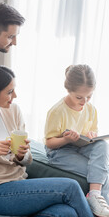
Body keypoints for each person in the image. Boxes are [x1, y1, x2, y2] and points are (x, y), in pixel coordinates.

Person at [0, 64, 93, 217]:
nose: (15, 95)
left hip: (19, 184)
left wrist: (22, 155)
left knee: (66, 212)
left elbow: (27, 160)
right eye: (9, 92)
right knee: (71, 187)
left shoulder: (13, 111)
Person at [44, 64, 109, 217]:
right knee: (101, 173)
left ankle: (95, 195)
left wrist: (92, 135)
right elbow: (49, 143)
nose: (84, 101)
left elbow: (92, 133)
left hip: (81, 146)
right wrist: (66, 139)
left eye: (89, 96)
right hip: (60, 151)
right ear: (68, 90)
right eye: (79, 97)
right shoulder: (57, 111)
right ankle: (96, 202)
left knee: (102, 145)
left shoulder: (91, 109)